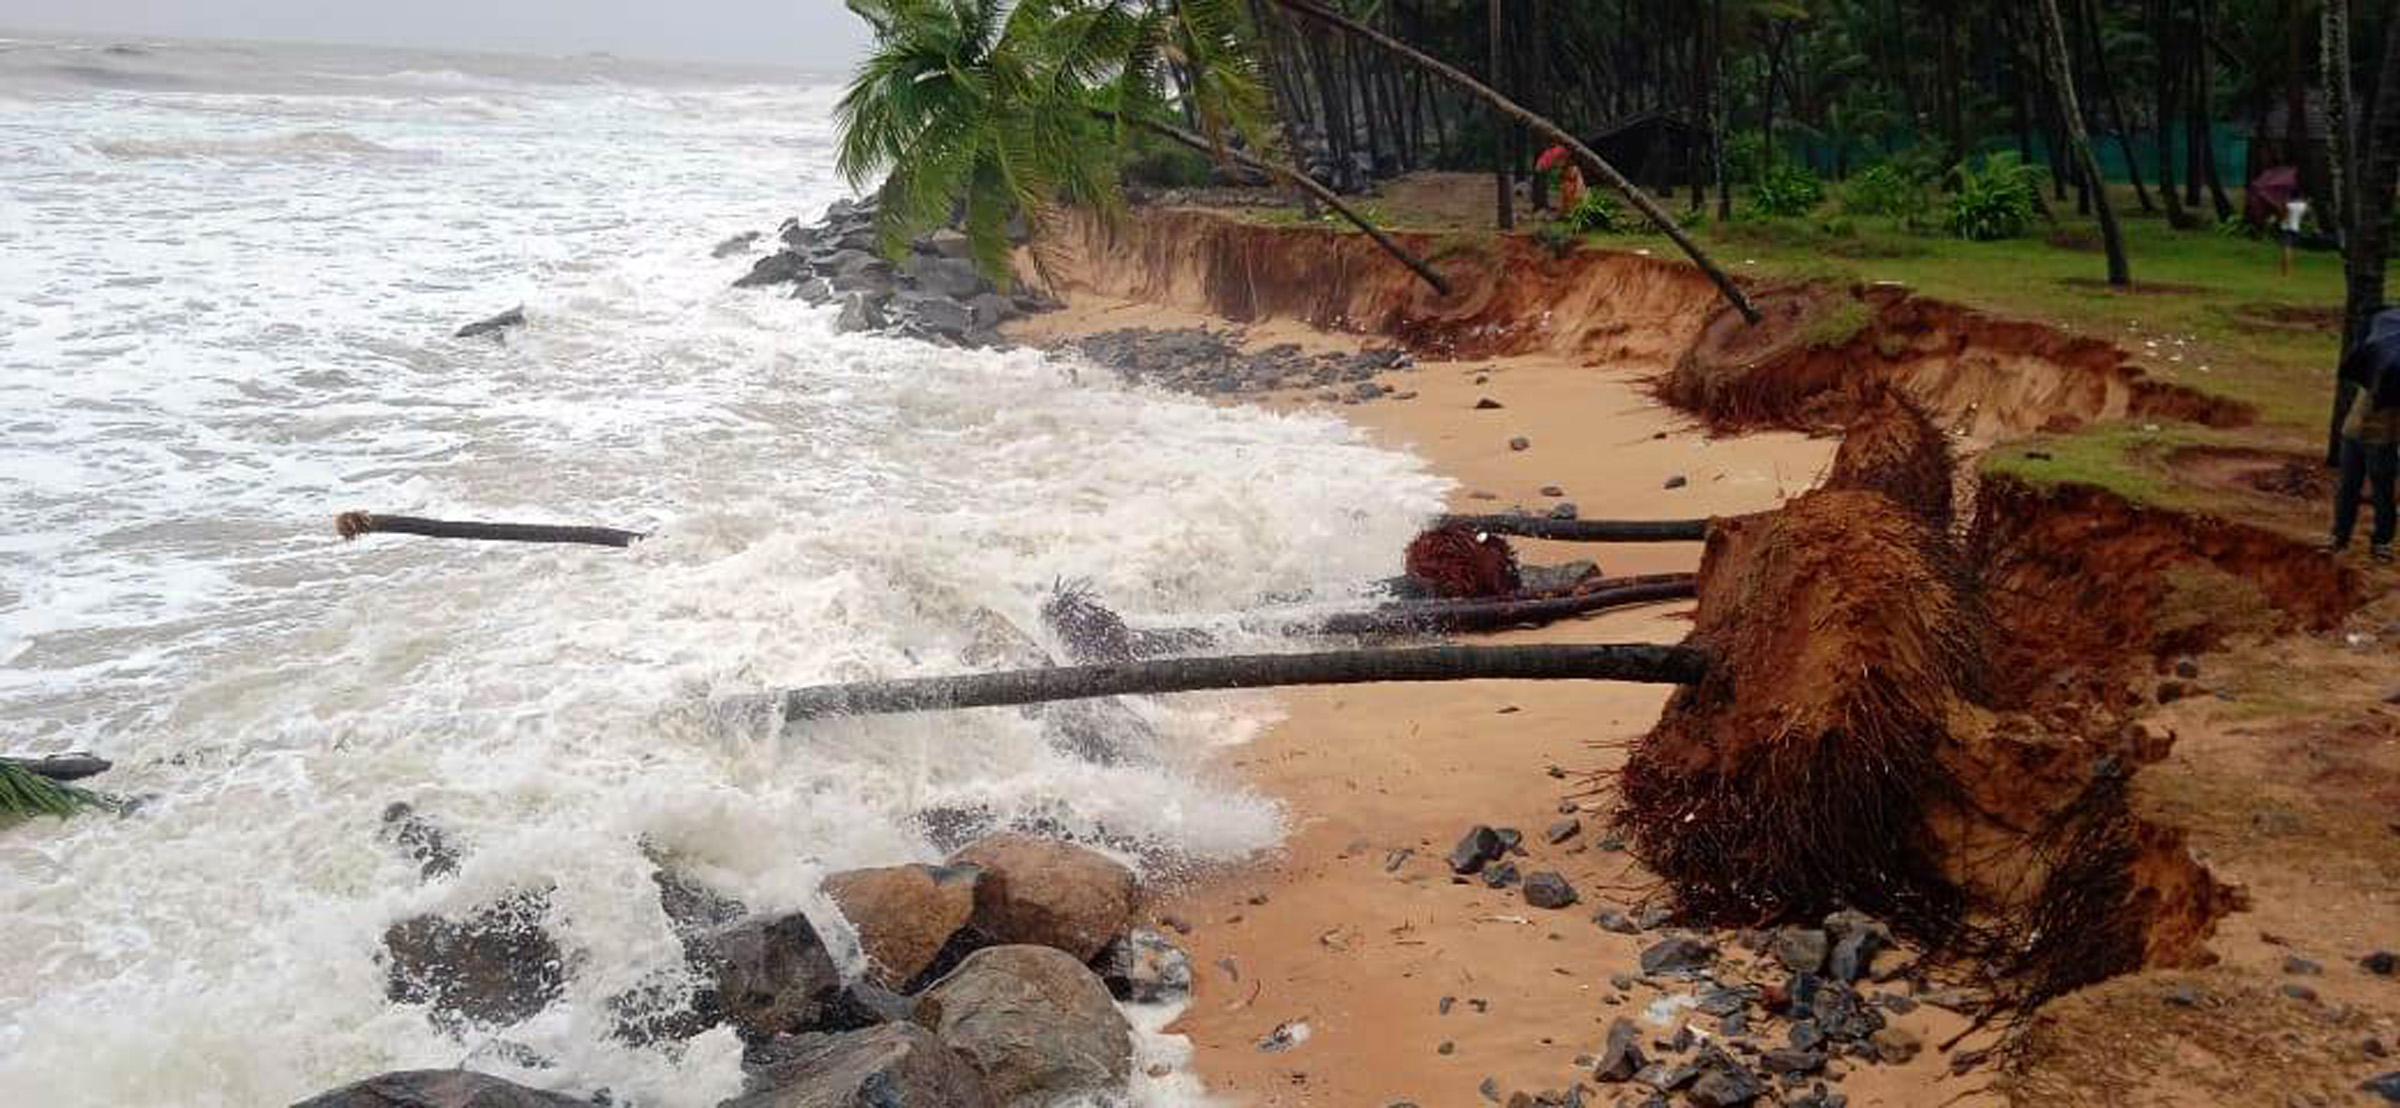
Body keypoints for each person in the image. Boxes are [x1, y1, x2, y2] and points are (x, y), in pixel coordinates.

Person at [2328, 308, 2400, 561]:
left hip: (2382, 439)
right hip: (2353, 433)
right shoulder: (2374, 359)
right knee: (2348, 488)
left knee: (2382, 492)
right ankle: (2339, 536)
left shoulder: (2380, 360)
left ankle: (2382, 542)